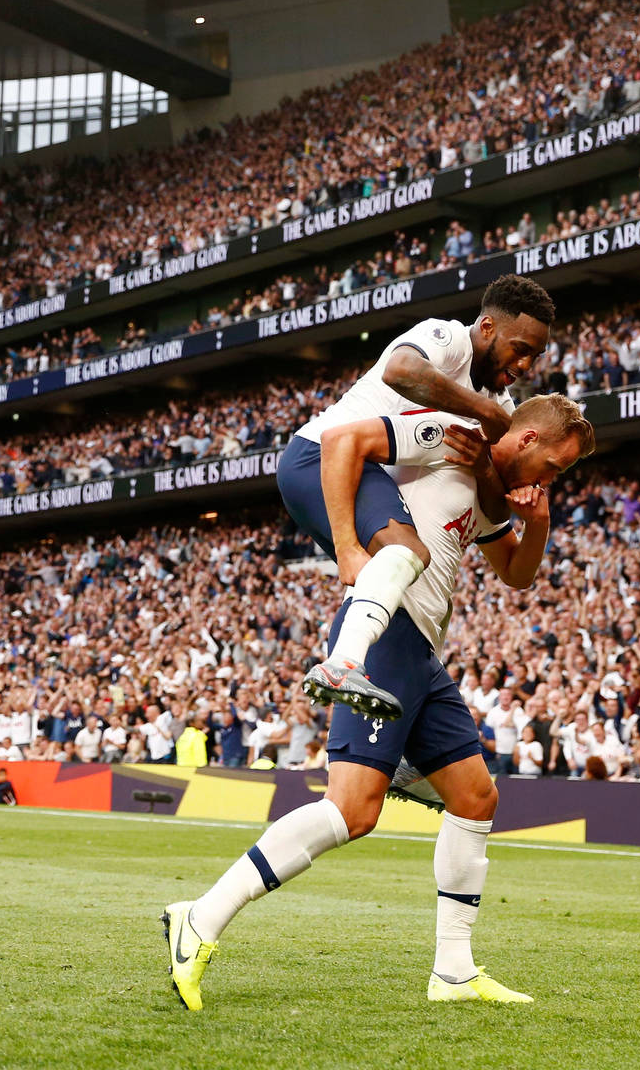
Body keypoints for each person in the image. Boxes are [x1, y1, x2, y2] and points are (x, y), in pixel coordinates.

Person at [164, 394, 594, 1011]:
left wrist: (541, 522)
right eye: (555, 466)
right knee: (351, 811)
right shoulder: (448, 437)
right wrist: (347, 544)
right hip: (388, 632)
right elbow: (350, 440)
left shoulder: (488, 493)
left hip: (422, 654)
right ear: (526, 440)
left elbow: (517, 573)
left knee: (476, 796)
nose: (553, 479)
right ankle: (200, 917)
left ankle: (453, 972)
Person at [278, 275, 556, 721]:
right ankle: (341, 665)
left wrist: (488, 463)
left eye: (535, 355)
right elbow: (401, 370)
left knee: (406, 562)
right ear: (486, 328)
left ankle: (393, 721)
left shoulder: (501, 401)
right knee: (406, 552)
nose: (525, 364)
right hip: (320, 456)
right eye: (519, 348)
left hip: (364, 471)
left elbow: (495, 509)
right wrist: (485, 413)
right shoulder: (444, 337)